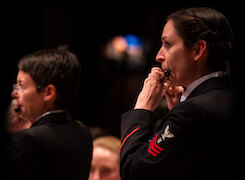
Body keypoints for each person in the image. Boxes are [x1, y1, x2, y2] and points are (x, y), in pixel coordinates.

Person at [120, 7, 235, 179]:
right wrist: (178, 109)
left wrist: (142, 109)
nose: (159, 56)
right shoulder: (226, 95)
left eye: (167, 44)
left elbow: (133, 171)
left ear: (197, 49)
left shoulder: (192, 113)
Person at [6, 45, 93, 180]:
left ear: (48, 93)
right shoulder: (83, 132)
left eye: (21, 86)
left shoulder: (25, 140)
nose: (15, 94)